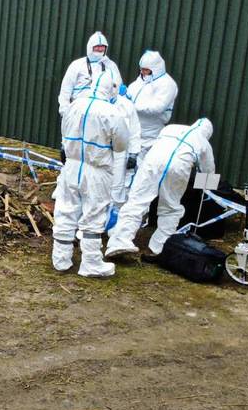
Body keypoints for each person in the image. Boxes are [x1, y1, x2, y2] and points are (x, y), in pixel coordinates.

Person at [52, 71, 130, 277]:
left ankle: (60, 259)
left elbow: (63, 132)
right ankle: (91, 263)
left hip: (71, 165)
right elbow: (121, 145)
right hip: (97, 169)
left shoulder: (74, 105)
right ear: (113, 88)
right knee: (94, 214)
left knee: (66, 210)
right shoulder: (112, 112)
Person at [106, 118, 216, 259]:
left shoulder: (171, 127)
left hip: (153, 160)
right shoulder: (204, 142)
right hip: (179, 166)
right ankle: (160, 245)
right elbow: (208, 170)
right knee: (171, 207)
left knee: (137, 201)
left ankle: (120, 240)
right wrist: (208, 190)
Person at [121, 50, 179, 150]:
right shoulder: (144, 78)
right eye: (141, 69)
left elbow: (158, 107)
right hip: (133, 128)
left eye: (145, 70)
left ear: (155, 69)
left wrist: (133, 106)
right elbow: (134, 90)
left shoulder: (167, 84)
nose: (142, 72)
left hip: (150, 133)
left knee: (142, 161)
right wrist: (125, 94)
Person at [58, 31, 122, 116]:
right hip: (78, 112)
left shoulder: (111, 66)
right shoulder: (77, 65)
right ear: (90, 47)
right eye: (97, 46)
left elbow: (118, 89)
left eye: (103, 46)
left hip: (102, 114)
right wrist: (65, 112)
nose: (100, 49)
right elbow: (65, 91)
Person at [110, 83, 142, 206]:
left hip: (120, 152)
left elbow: (134, 130)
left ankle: (114, 213)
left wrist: (133, 153)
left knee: (118, 184)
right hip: (98, 152)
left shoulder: (126, 105)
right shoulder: (94, 103)